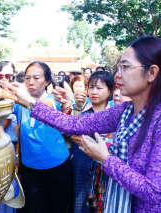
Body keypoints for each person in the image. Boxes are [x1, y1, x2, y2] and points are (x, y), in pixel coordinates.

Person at [8, 37, 161, 213]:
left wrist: (106, 159)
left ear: (151, 73)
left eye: (125, 67)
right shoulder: (125, 111)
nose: (118, 74)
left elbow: (154, 191)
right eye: (118, 67)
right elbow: (73, 124)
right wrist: (30, 102)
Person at [7, 61, 73, 213]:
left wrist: (17, 96)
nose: (31, 82)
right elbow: (18, 130)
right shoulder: (18, 104)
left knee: (59, 208)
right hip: (30, 168)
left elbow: (39, 106)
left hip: (57, 166)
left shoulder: (53, 100)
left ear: (47, 81)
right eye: (28, 78)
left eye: (36, 78)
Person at [58, 71, 114, 213]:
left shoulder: (115, 113)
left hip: (105, 170)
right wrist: (77, 107)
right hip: (80, 166)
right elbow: (70, 130)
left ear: (110, 90)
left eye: (100, 88)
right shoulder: (80, 108)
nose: (94, 91)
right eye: (91, 87)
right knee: (80, 204)